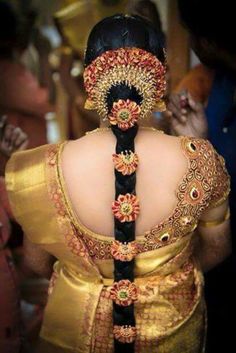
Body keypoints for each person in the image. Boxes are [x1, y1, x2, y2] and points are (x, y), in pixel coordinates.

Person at [5, 15, 231, 353]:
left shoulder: (41, 170)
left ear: (88, 82)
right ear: (159, 81)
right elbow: (217, 248)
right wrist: (168, 274)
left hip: (75, 336)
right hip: (171, 332)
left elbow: (38, 264)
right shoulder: (200, 161)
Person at [168, 1, 236, 352]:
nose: (191, 42)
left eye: (191, 34)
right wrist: (200, 139)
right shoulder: (220, 80)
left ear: (209, 41)